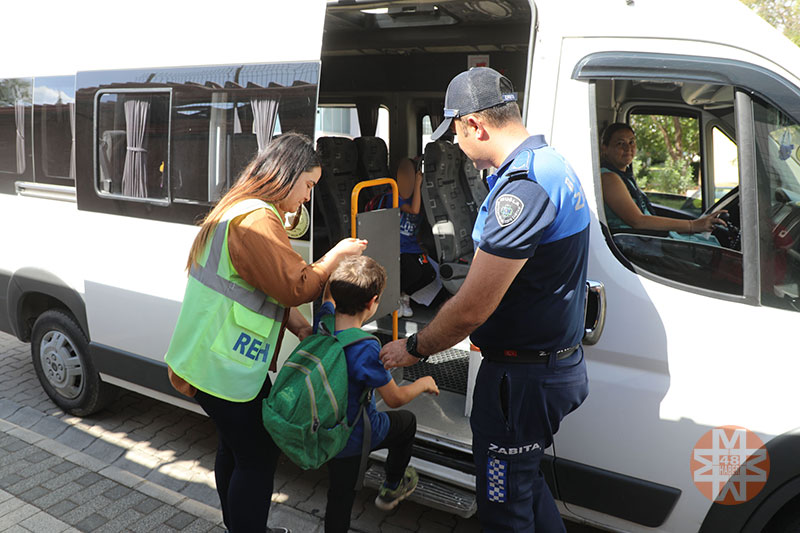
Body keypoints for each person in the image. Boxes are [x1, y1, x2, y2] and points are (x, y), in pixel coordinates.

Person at [380, 67, 589, 532]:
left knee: (503, 509)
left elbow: (472, 308)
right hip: (543, 368)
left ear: (475, 125)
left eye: (455, 134)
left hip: (520, 381)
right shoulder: (550, 165)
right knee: (526, 485)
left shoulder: (523, 189)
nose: (455, 146)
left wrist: (414, 349)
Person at [164, 133, 367, 533]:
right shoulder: (257, 219)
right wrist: (335, 256)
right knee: (257, 455)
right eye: (308, 186)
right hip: (225, 367)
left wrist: (302, 328)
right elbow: (297, 285)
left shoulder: (239, 208)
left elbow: (261, 288)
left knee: (235, 447)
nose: (308, 197)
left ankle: (237, 525)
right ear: (287, 175)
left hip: (210, 360)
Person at [318, 255, 439, 533]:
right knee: (406, 423)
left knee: (338, 496)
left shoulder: (323, 323)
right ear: (373, 303)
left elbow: (327, 295)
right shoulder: (365, 347)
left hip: (325, 425)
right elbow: (395, 399)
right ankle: (392, 486)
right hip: (353, 435)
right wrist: (424, 383)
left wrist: (338, 258)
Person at [600, 122, 725, 238]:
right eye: (620, 143)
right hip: (636, 242)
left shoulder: (623, 175)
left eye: (631, 142)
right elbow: (638, 221)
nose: (628, 148)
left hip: (646, 238)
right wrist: (693, 225)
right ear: (605, 148)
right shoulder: (608, 178)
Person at [396, 157, 436, 317]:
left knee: (428, 274)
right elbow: (414, 210)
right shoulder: (395, 195)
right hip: (400, 247)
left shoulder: (418, 195)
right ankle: (395, 296)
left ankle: (404, 295)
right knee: (413, 272)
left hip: (414, 246)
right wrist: (418, 185)